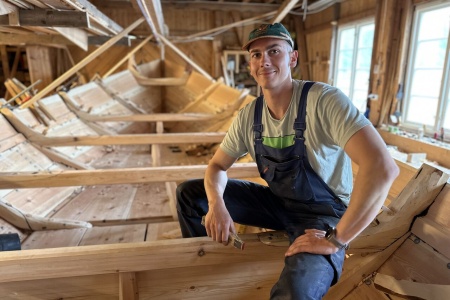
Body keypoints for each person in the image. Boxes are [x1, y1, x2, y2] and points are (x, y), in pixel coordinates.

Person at [176, 23, 399, 299]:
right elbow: (217, 167)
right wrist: (216, 204)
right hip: (279, 204)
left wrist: (337, 239)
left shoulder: (324, 101)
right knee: (190, 194)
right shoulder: (249, 116)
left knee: (296, 292)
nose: (264, 61)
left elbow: (382, 168)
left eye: (274, 51)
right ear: (250, 64)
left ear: (292, 58)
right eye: (256, 54)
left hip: (323, 216)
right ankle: (206, 275)